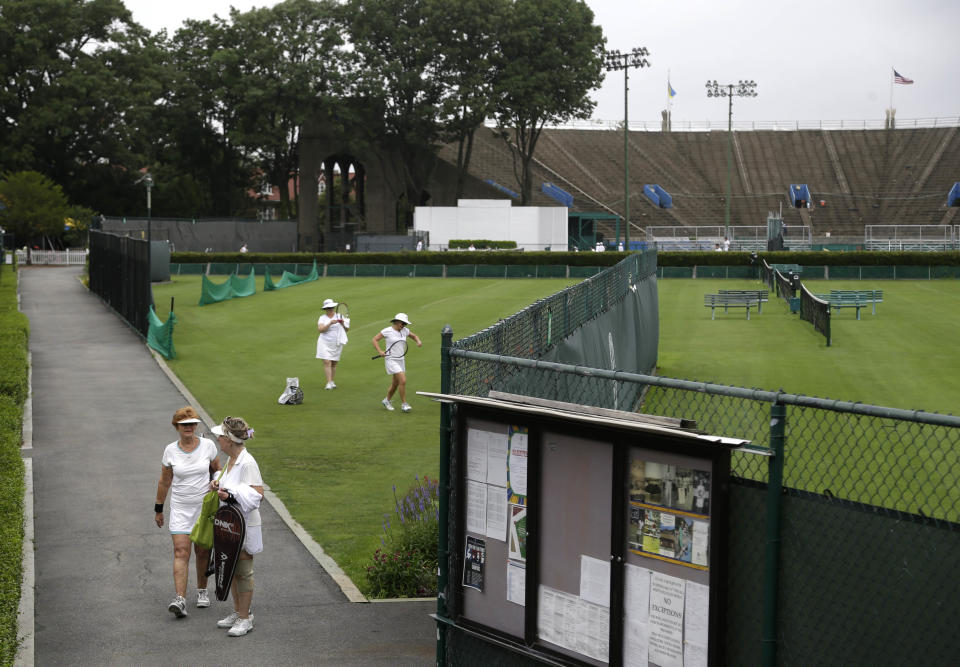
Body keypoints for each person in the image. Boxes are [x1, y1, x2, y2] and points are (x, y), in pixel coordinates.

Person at [155, 407, 221, 617]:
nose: (189, 428)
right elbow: (165, 481)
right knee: (180, 552)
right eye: (184, 424)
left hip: (203, 509)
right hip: (180, 509)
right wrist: (159, 508)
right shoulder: (170, 450)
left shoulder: (208, 446)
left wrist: (217, 481)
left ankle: (202, 591)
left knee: (202, 552)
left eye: (192, 424)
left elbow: (217, 468)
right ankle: (180, 599)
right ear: (177, 426)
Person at [210, 416, 264, 637]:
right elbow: (230, 482)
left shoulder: (247, 462)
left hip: (243, 525)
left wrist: (230, 494)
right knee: (231, 569)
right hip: (229, 525)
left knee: (243, 571)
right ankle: (239, 611)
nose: (218, 440)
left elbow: (257, 494)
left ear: (229, 440)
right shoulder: (232, 459)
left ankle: (245, 618)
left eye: (220, 437)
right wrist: (217, 482)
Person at [372, 313, 422, 412]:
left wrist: (418, 341)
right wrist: (380, 351)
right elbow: (374, 340)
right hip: (391, 360)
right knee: (402, 380)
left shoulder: (405, 331)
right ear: (397, 322)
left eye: (405, 324)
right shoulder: (387, 331)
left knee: (395, 384)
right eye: (403, 323)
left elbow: (414, 336)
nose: (404, 325)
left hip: (401, 360)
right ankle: (404, 404)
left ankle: (387, 400)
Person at [316, 298, 349, 389]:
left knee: (334, 363)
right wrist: (330, 323)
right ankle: (329, 382)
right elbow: (320, 330)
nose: (330, 309)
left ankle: (332, 381)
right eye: (328, 308)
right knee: (327, 361)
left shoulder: (340, 316)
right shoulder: (322, 318)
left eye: (332, 307)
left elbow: (347, 330)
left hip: (337, 342)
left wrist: (342, 324)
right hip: (324, 342)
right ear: (325, 309)